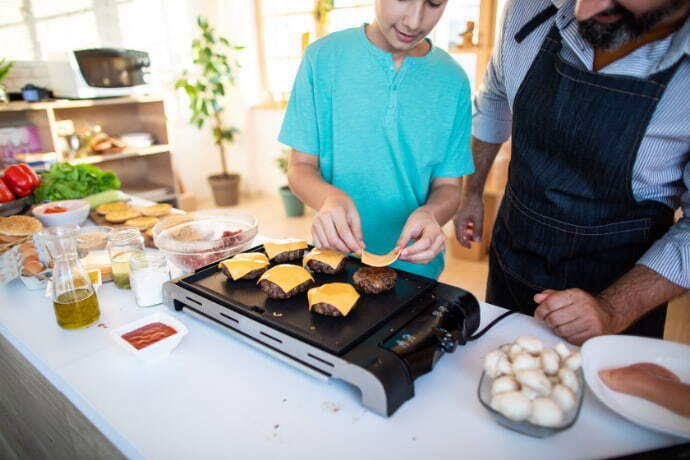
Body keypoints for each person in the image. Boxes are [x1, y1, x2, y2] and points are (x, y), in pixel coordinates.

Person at [454, 0, 690, 344]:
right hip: (512, 254)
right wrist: (471, 192)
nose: (581, 10)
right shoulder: (530, 7)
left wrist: (612, 309)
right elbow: (495, 97)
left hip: (618, 289)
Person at [278, 0, 474, 280]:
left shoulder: (453, 79)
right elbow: (299, 168)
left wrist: (432, 214)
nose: (415, 21)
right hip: (333, 259)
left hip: (417, 270)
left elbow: (449, 186)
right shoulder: (321, 58)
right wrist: (330, 198)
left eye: (434, 3)